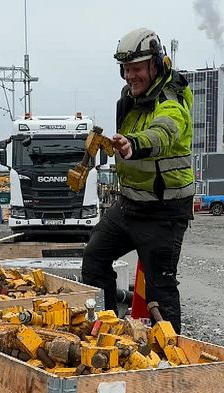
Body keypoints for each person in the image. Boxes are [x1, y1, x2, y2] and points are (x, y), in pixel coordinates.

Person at [81, 28, 194, 333]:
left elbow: (164, 131)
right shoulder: (132, 97)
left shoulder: (171, 99)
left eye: (138, 68)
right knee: (94, 260)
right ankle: (107, 332)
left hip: (164, 212)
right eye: (126, 70)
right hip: (129, 205)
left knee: (161, 287)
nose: (131, 76)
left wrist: (135, 144)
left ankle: (168, 360)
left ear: (155, 65)